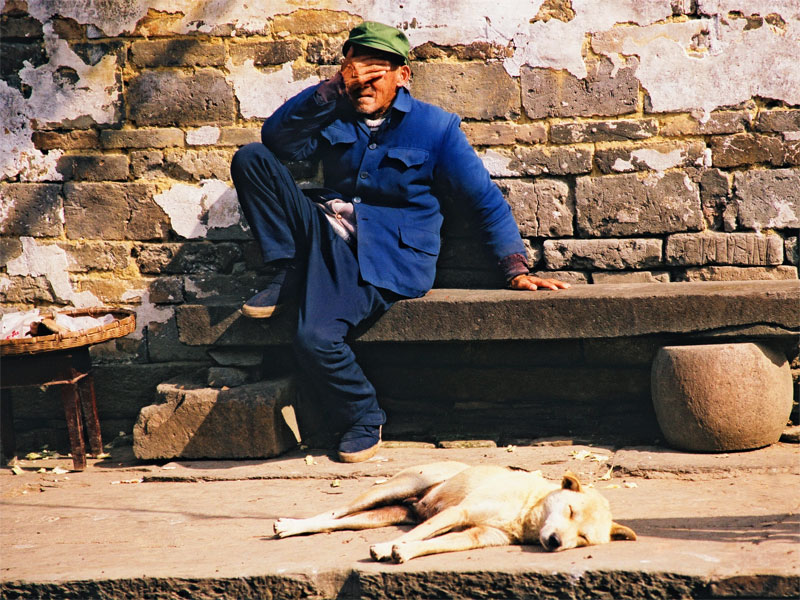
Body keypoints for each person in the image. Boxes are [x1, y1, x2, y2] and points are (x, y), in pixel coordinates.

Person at [230, 21, 569, 463]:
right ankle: (287, 268)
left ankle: (362, 417)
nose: (364, 82)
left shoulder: (436, 128)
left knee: (314, 338)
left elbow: (483, 200)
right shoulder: (335, 109)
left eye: (376, 71)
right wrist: (334, 88)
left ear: (402, 75)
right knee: (251, 158)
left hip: (386, 257)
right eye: (355, 70)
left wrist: (515, 268)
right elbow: (277, 139)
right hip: (326, 233)